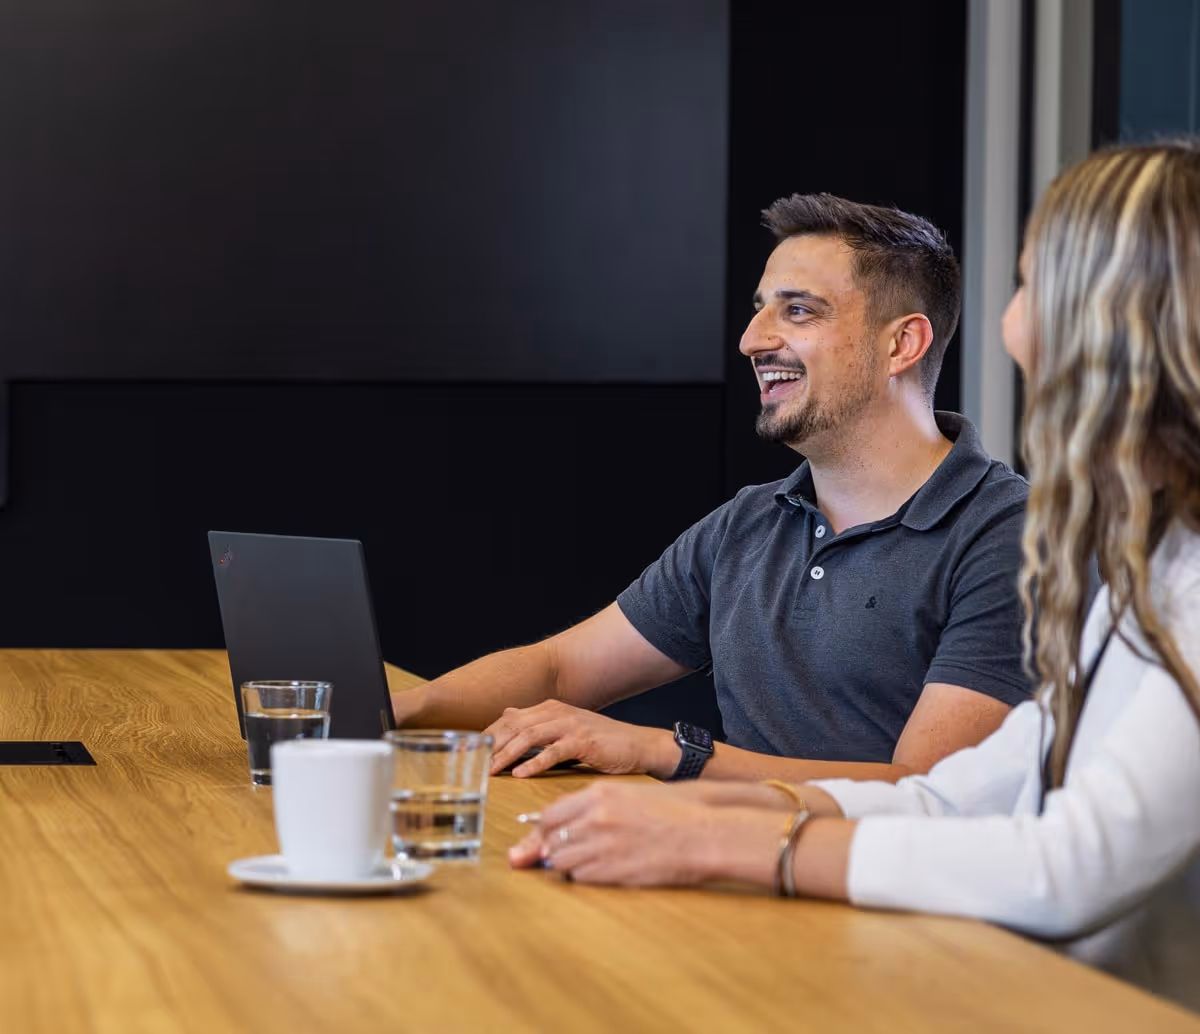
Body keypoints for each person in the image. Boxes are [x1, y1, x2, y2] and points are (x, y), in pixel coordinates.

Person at [509, 141, 1200, 1010]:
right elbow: (965, 795)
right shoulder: (1157, 562)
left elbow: (1071, 865)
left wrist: (721, 835)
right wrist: (700, 812)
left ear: (1127, 319)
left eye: (1033, 284)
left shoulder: (1112, 559)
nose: (1011, 326)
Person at [393, 195, 1031, 785]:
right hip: (737, 877)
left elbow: (929, 793)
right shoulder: (749, 524)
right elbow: (560, 669)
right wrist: (395, 709)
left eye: (798, 310)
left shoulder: (1009, 534)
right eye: (760, 309)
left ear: (902, 344)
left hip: (885, 902)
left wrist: (667, 751)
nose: (751, 340)